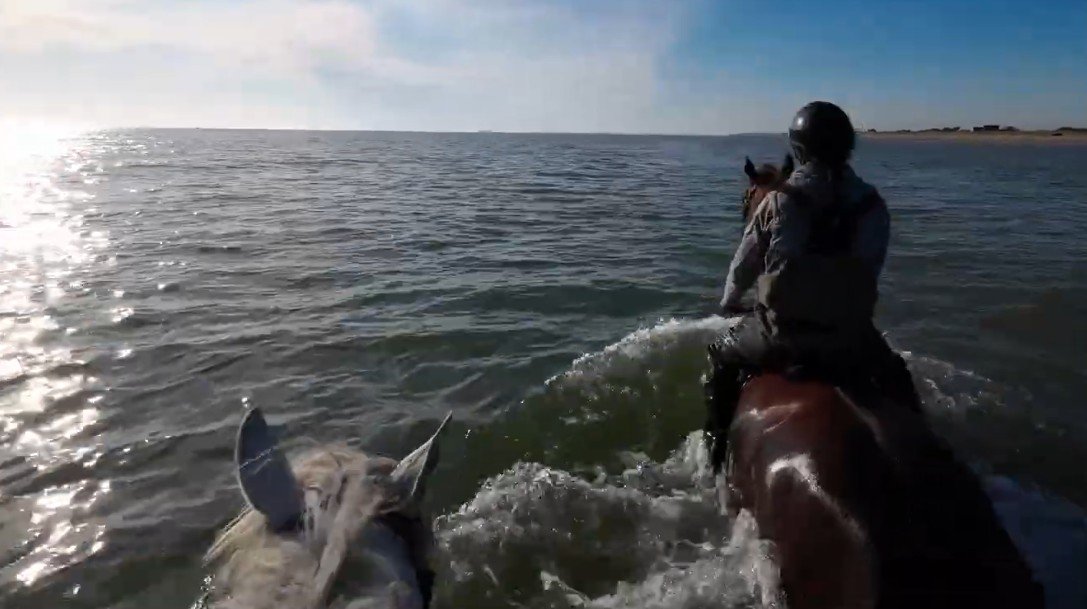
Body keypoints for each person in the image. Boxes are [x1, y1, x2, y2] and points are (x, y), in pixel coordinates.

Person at [705, 101, 920, 470]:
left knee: (720, 355)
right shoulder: (872, 204)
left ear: (799, 150)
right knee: (897, 375)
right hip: (850, 338)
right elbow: (870, 269)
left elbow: (744, 266)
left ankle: (714, 455)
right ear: (848, 147)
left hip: (782, 334)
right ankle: (922, 446)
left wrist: (730, 301)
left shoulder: (778, 200)